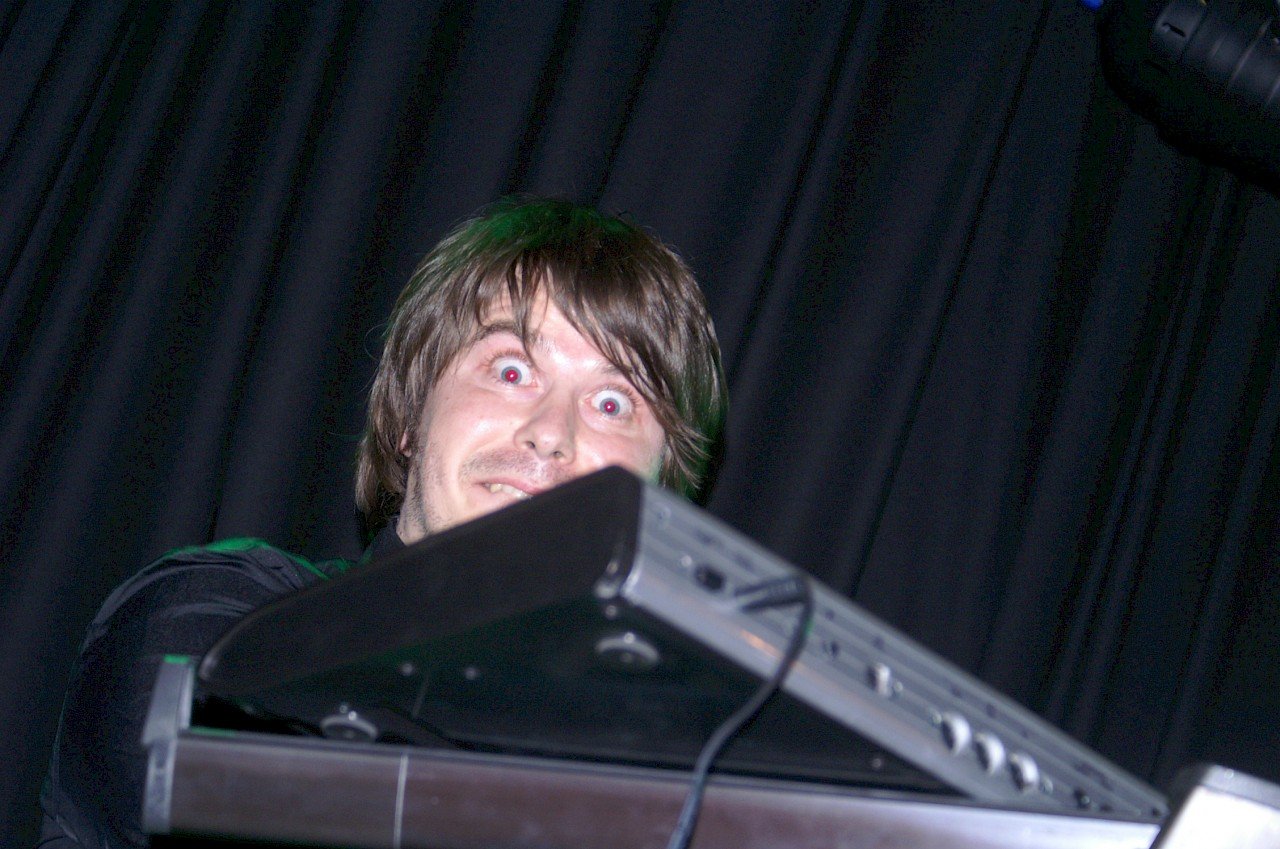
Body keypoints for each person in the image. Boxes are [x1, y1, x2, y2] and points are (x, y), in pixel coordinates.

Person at [38, 197, 728, 848]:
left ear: (661, 497)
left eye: (611, 404)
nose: (551, 433)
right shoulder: (223, 616)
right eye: (512, 370)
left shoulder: (695, 760)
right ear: (409, 419)